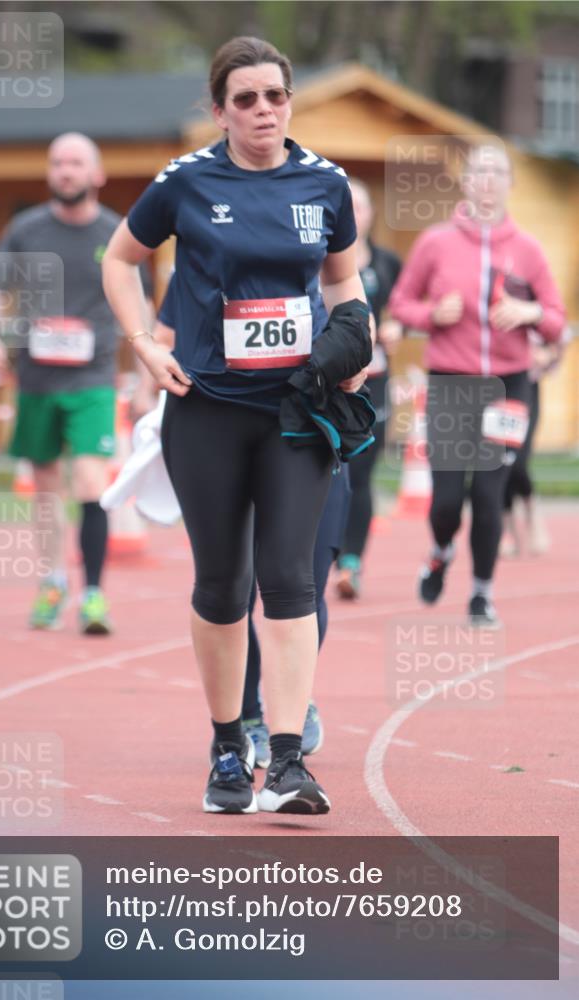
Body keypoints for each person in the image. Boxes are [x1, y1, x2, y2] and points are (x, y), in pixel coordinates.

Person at [102, 36, 371, 815]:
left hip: (296, 409)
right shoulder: (184, 182)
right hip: (208, 411)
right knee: (223, 585)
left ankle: (286, 761)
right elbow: (118, 260)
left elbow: (343, 277)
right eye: (245, 98)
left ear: (290, 102)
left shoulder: (324, 183)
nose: (263, 110)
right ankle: (227, 750)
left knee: (289, 581)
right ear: (219, 109)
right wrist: (145, 345)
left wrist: (356, 337)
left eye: (275, 96)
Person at [153, 282, 358, 767]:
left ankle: (292, 699)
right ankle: (245, 715)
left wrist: (355, 357)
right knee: (235, 587)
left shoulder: (322, 250)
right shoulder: (211, 246)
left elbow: (356, 323)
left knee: (303, 581)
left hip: (308, 432)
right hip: (230, 434)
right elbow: (164, 334)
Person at [0, 132, 144, 635]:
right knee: (46, 486)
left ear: (97, 174)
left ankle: (93, 593)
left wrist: (144, 374)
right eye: (57, 163)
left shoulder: (117, 233)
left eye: (75, 163)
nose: (65, 171)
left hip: (93, 378)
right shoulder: (26, 230)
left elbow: (141, 303)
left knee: (91, 481)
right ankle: (53, 580)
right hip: (36, 378)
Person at [389, 143, 566, 627]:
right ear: (466, 183)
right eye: (479, 172)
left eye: (498, 172)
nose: (488, 180)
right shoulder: (435, 242)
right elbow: (401, 304)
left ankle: (481, 595)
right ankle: (441, 548)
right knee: (446, 502)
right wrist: (432, 314)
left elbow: (556, 319)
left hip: (508, 386)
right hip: (451, 382)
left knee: (490, 496)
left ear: (510, 183)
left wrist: (529, 313)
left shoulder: (528, 250)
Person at [335, 179, 402, 600]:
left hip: (375, 386)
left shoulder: (387, 263)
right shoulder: (320, 259)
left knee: (360, 475)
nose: (355, 214)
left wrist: (399, 326)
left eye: (360, 206)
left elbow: (410, 305)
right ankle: (325, 553)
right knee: (329, 474)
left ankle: (351, 562)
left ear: (371, 214)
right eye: (348, 206)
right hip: (330, 385)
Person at [500, 336, 564, 557]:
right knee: (499, 458)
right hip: (492, 383)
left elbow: (557, 331)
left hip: (525, 385)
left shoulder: (534, 300)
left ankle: (532, 515)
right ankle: (507, 530)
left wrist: (549, 354)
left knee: (517, 460)